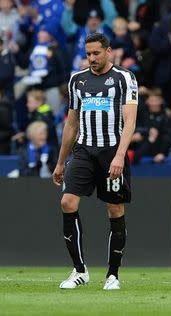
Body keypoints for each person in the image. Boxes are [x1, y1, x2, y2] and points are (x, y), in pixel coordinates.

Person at [52, 33, 138, 290]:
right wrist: (60, 162)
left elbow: (130, 121)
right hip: (83, 151)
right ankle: (80, 270)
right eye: (88, 54)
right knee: (67, 202)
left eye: (96, 53)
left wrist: (120, 155)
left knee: (114, 209)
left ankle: (112, 274)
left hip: (112, 151)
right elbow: (72, 123)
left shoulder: (124, 78)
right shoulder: (77, 80)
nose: (91, 58)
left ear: (108, 51)